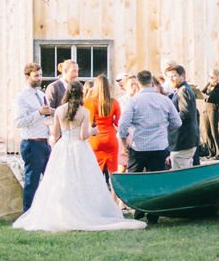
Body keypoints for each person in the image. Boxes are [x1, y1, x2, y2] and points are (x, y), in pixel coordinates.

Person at [12, 82, 145, 232]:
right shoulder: (83, 111)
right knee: (83, 180)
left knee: (61, 180)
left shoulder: (59, 111)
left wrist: (49, 126)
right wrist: (93, 131)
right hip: (79, 148)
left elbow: (55, 135)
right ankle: (83, 209)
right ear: (81, 94)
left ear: (67, 93)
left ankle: (61, 211)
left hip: (62, 148)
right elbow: (83, 136)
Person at [117, 69, 182, 224]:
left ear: (138, 84)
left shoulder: (133, 101)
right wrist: (166, 130)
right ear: (152, 83)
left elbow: (122, 125)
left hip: (139, 146)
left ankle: (138, 209)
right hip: (159, 146)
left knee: (135, 180)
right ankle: (154, 214)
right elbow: (177, 123)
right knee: (156, 181)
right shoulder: (165, 101)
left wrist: (125, 142)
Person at [13, 62, 53, 211]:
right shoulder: (21, 97)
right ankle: (28, 212)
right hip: (31, 143)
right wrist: (39, 113)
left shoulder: (42, 95)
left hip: (45, 142)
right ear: (27, 76)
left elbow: (47, 116)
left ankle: (47, 210)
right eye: (36, 76)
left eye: (41, 75)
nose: (39, 78)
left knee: (51, 178)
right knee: (32, 181)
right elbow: (19, 122)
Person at [83, 75, 121, 196]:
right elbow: (118, 122)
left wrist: (87, 96)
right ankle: (115, 201)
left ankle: (95, 198)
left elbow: (82, 115)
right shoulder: (114, 102)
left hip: (95, 138)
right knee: (113, 173)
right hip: (110, 138)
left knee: (94, 173)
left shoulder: (88, 102)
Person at [166, 65, 199, 169]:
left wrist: (169, 121)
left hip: (183, 141)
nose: (170, 79)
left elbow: (185, 113)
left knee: (181, 173)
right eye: (169, 76)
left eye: (174, 76)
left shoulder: (184, 90)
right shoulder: (181, 90)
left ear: (182, 75)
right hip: (185, 140)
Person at [201, 70, 219, 160]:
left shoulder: (218, 86)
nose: (211, 79)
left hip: (213, 110)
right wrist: (205, 94)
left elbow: (210, 97)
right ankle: (211, 152)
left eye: (213, 77)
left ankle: (218, 153)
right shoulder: (209, 85)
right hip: (206, 109)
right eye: (210, 77)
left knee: (214, 132)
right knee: (207, 131)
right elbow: (200, 92)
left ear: (217, 77)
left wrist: (204, 95)